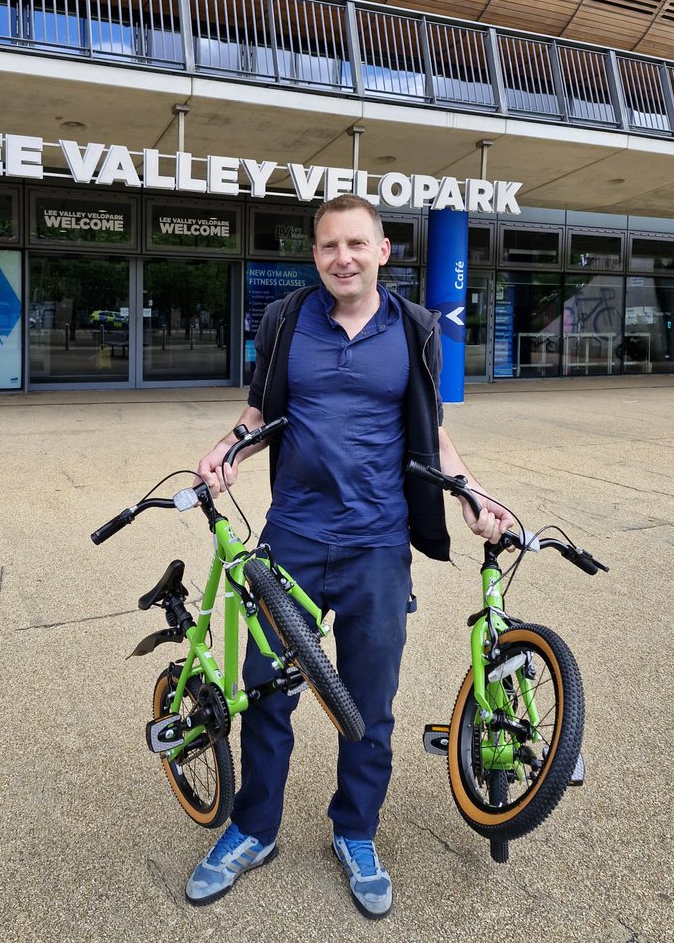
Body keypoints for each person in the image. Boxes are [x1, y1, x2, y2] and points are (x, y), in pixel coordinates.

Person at [186, 194, 513, 918]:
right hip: (292, 538)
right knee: (267, 689)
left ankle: (355, 831)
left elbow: (433, 432)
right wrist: (226, 449)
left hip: (377, 546)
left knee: (369, 705)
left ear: (383, 250)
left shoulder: (416, 329)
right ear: (316, 254)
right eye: (330, 246)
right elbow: (258, 411)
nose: (343, 258)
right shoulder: (287, 320)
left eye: (356, 244)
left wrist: (468, 492)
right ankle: (251, 828)